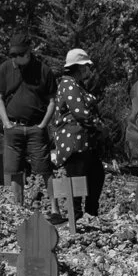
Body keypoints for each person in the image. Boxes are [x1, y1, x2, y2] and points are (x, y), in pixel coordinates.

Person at [0, 35, 55, 206]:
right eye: (13, 54)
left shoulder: (43, 70)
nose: (15, 58)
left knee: (46, 170)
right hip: (14, 127)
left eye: (19, 54)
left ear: (29, 52)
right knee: (14, 170)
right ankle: (18, 208)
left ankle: (55, 209)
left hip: (36, 127)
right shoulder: (5, 69)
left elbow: (52, 101)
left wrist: (42, 125)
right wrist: (6, 123)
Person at [49, 48, 104, 218]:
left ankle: (89, 214)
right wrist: (100, 126)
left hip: (84, 142)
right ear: (79, 67)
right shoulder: (68, 84)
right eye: (86, 66)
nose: (88, 69)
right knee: (77, 180)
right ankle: (77, 218)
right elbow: (80, 112)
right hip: (74, 142)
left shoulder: (77, 85)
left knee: (95, 175)